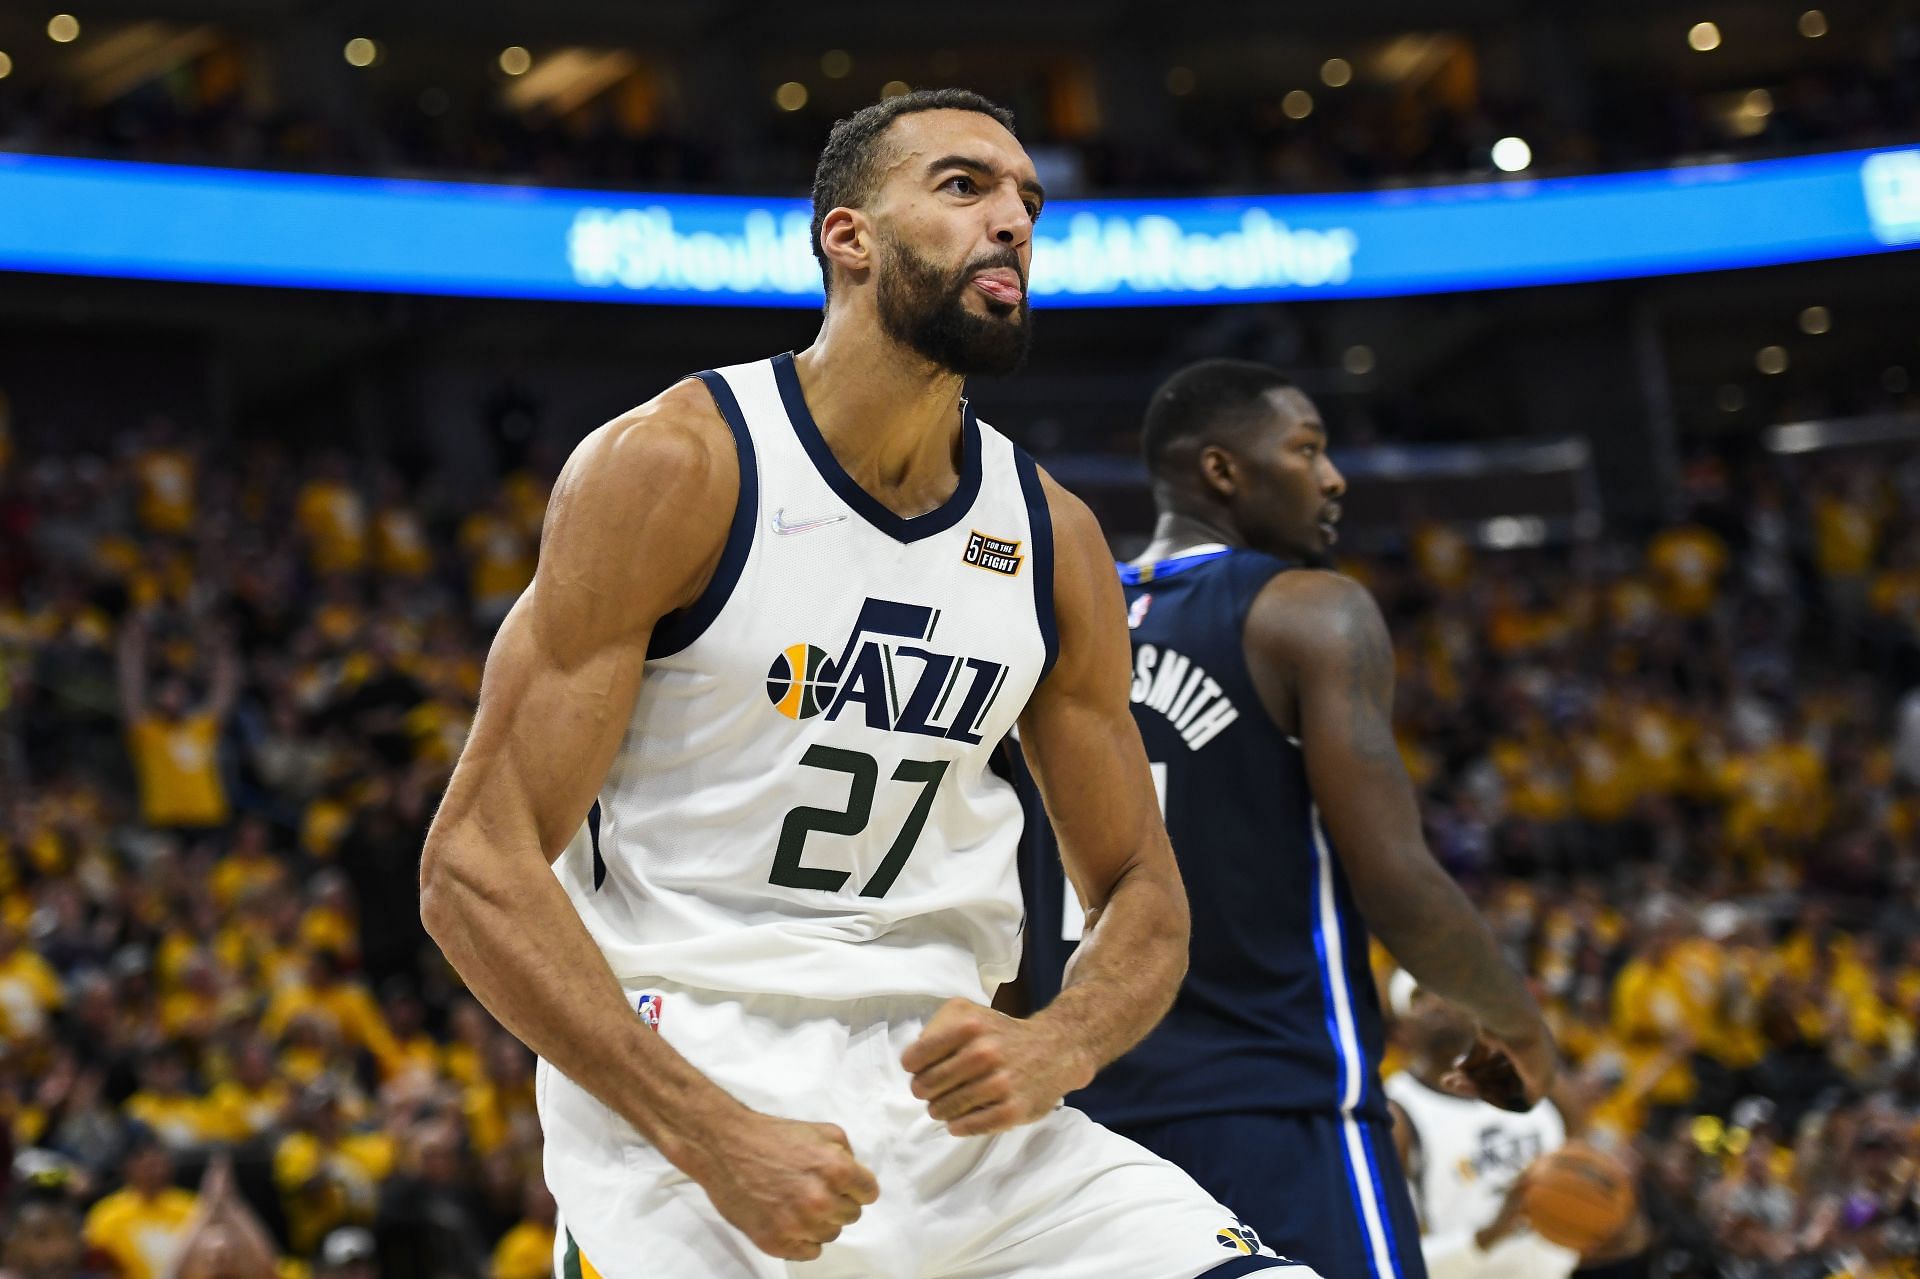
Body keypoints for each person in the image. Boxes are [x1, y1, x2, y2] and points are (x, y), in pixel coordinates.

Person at [419, 90, 1312, 1279]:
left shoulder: (1053, 536)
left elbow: (1144, 888)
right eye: (963, 188)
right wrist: (707, 1130)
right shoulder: (677, 465)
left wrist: (1064, 1042)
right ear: (848, 237)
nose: (1011, 222)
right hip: (690, 1089)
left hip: (956, 1107)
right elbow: (472, 866)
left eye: (1027, 202)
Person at [1016, 359, 1558, 1279]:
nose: (1334, 476)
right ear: (1223, 471)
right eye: (1307, 449)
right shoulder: (1308, 612)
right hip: (1272, 1103)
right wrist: (1519, 1026)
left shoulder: (1052, 625)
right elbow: (1396, 875)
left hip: (1075, 1122)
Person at [1383, 984, 1581, 1279]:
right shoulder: (1394, 1113)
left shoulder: (1540, 1080)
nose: (1437, 1002)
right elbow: (1385, 1255)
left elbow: (1586, 1169)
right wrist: (1489, 1235)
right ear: (1402, 1031)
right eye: (1419, 998)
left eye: (1445, 991)